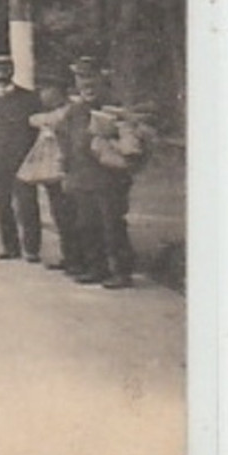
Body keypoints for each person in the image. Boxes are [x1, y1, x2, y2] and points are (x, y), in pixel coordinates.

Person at [55, 59, 138, 288]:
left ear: (101, 78)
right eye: (81, 78)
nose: (86, 83)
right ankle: (96, 268)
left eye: (91, 77)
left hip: (109, 177)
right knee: (87, 224)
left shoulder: (112, 105)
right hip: (82, 176)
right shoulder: (74, 109)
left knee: (112, 224)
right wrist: (66, 169)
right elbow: (63, 138)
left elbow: (129, 139)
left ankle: (122, 271)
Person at [0, 53, 43, 263]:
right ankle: (10, 246)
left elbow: (36, 130)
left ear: (12, 71)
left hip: (22, 159)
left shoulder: (28, 98)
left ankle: (32, 248)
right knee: (1, 204)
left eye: (5, 69)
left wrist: (31, 155)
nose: (1, 73)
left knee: (26, 204)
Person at [28, 72, 77, 273]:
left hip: (66, 168)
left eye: (47, 90)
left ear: (59, 92)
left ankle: (76, 258)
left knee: (69, 215)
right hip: (51, 169)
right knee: (60, 214)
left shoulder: (69, 111)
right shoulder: (49, 113)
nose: (43, 94)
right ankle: (69, 255)